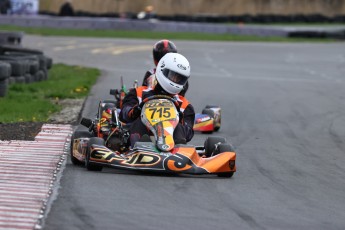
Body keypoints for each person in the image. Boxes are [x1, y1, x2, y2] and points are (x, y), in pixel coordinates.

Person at [120, 53, 195, 148]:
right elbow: (123, 114)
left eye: (180, 79)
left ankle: (175, 153)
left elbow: (188, 134)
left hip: (172, 147)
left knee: (179, 128)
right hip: (139, 143)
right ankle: (141, 146)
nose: (175, 81)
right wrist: (135, 111)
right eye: (173, 76)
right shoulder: (138, 93)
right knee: (139, 122)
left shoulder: (185, 106)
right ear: (162, 70)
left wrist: (177, 120)